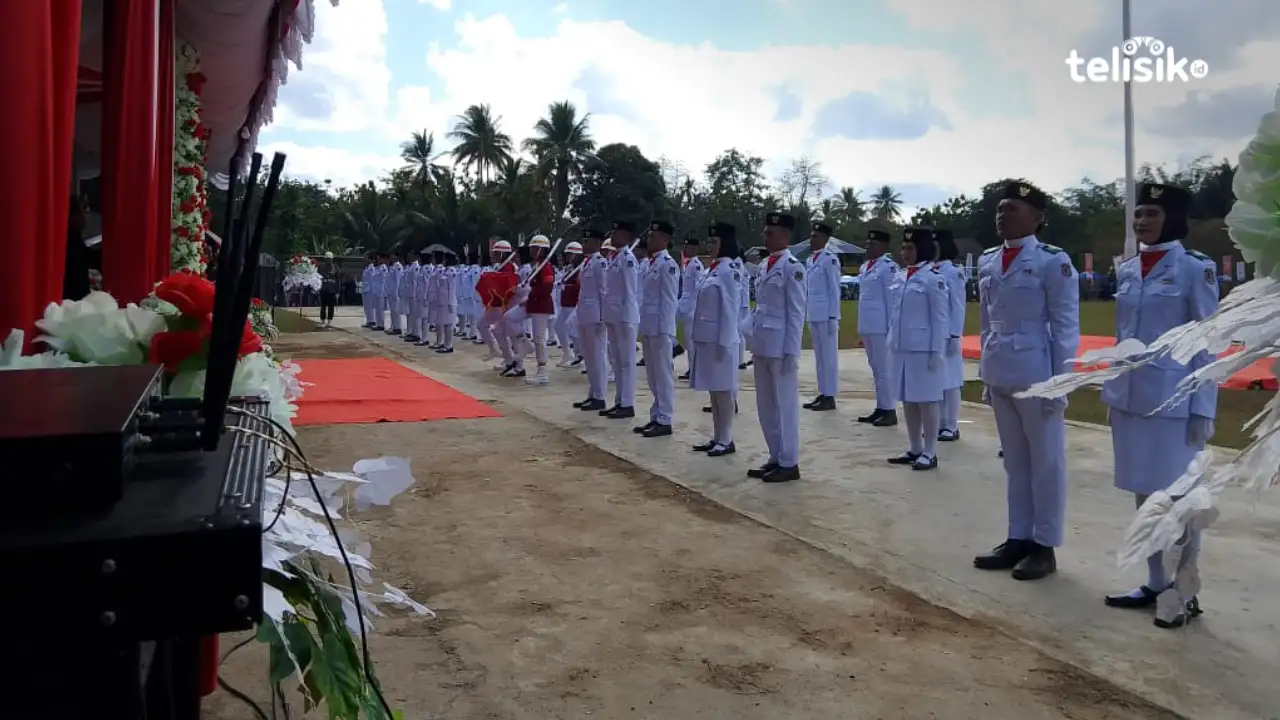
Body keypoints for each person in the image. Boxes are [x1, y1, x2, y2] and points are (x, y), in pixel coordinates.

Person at [1101, 182, 1218, 628]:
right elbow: (1121, 337)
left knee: (1181, 503)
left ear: (1171, 217)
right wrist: (1114, 391)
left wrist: (1204, 407)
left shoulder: (1194, 269)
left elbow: (1206, 339)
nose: (1141, 221)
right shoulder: (1130, 269)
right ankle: (1154, 582)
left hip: (1175, 401)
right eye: (1138, 213)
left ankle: (1183, 592)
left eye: (1150, 213)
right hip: (1132, 398)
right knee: (1144, 497)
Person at [973, 180, 1080, 581]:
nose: (1003, 215)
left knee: (1046, 462)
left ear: (1037, 218)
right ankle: (1018, 536)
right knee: (1015, 462)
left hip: (1037, 371)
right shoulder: (987, 260)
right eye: (1000, 209)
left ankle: (1044, 544)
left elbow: (1066, 327)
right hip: (1001, 368)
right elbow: (986, 322)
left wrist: (1061, 384)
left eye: (1012, 208)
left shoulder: (1053, 261)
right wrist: (986, 374)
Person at [748, 212, 807, 483]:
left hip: (781, 346)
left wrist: (792, 352)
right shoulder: (763, 266)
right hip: (762, 342)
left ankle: (789, 461)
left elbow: (796, 313)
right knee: (766, 405)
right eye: (765, 232)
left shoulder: (792, 267)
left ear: (785, 236)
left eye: (770, 232)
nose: (765, 236)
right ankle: (775, 455)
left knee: (785, 406)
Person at [885, 228, 948, 471]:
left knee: (927, 402)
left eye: (910, 248)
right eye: (903, 248)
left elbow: (940, 318)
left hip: (923, 350)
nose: (905, 253)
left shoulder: (933, 279)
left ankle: (930, 451)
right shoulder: (902, 277)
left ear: (922, 250)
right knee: (908, 400)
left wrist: (936, 352)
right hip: (902, 347)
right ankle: (914, 448)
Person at [690, 222, 742, 456]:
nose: (710, 246)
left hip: (720, 340)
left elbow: (731, 310)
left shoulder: (728, 271)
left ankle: (727, 438)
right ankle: (717, 436)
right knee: (714, 391)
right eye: (709, 242)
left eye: (715, 242)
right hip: (706, 339)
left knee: (724, 391)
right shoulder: (712, 269)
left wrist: (726, 342)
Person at [635, 220, 681, 437]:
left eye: (654, 237)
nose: (650, 240)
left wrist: (666, 332)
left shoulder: (668, 264)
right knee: (652, 374)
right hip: (648, 325)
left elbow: (669, 301)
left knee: (663, 374)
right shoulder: (649, 264)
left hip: (661, 328)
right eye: (650, 236)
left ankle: (665, 418)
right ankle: (656, 415)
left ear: (665, 240)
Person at [857, 230, 900, 426]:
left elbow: (892, 301)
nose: (868, 246)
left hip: (882, 327)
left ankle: (889, 410)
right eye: (867, 243)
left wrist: (892, 329)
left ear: (883, 246)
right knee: (876, 370)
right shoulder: (866, 267)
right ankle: (881, 407)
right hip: (868, 325)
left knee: (885, 370)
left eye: (872, 244)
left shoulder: (888, 268)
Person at [601, 221, 641, 419]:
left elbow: (630, 291)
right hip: (614, 316)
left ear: (627, 237)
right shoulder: (614, 257)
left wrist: (626, 319)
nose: (613, 236)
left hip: (625, 318)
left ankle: (627, 403)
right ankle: (619, 401)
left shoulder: (627, 259)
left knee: (626, 362)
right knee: (617, 361)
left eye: (617, 233)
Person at [804, 221, 843, 411]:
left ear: (826, 239)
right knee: (819, 357)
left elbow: (835, 289)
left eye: (816, 236)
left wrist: (833, 317)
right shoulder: (811, 260)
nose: (812, 239)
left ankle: (830, 395)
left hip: (826, 315)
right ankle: (823, 392)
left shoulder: (830, 259)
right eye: (811, 236)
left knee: (829, 357)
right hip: (813, 313)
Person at [934, 230, 967, 441]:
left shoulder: (952, 273)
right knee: (936, 380)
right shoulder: (930, 271)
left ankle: (951, 425)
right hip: (934, 334)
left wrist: (955, 334)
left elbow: (958, 306)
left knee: (951, 381)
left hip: (948, 333)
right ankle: (937, 422)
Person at [573, 229, 610, 412]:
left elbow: (604, 291)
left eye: (587, 241)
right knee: (589, 357)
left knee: (598, 357)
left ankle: (600, 396)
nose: (584, 244)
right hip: (585, 314)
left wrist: (603, 317)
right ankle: (593, 393)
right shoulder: (587, 262)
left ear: (596, 243)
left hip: (596, 317)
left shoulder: (600, 263)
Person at [518, 235, 557, 384]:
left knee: (539, 339)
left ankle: (542, 371)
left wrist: (530, 292)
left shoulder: (546, 266)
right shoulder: (537, 265)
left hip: (541, 305)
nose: (533, 251)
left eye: (536, 248)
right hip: (532, 303)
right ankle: (526, 344)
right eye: (532, 248)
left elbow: (547, 288)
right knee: (509, 318)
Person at [476, 240, 518, 370]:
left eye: (495, 253)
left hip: (503, 305)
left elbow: (509, 286)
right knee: (483, 325)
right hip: (495, 303)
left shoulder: (511, 267)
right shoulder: (499, 266)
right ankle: (498, 352)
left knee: (501, 332)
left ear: (502, 254)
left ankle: (509, 359)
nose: (492, 255)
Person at [677, 237, 705, 379]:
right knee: (688, 340)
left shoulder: (696, 265)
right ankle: (692, 368)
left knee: (691, 340)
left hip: (693, 307)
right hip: (685, 303)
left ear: (694, 249)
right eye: (685, 247)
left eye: (689, 248)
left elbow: (698, 287)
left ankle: (696, 370)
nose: (686, 249)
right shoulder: (687, 264)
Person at [555, 242, 584, 367]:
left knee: (571, 329)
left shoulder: (580, 268)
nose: (567, 256)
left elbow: (580, 285)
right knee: (558, 327)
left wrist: (566, 287)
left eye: (570, 254)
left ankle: (580, 354)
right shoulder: (570, 268)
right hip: (565, 302)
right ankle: (568, 353)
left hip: (573, 303)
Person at [432, 254, 459, 353]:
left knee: (449, 325)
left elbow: (451, 289)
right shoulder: (445, 271)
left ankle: (449, 345)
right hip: (443, 302)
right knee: (445, 324)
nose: (443, 261)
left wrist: (451, 302)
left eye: (445, 259)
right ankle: (446, 344)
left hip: (448, 302)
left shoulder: (451, 272)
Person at [361, 252, 378, 328]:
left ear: (370, 259)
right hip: (365, 289)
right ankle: (369, 320)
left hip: (370, 290)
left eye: (366, 258)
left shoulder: (371, 268)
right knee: (367, 307)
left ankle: (372, 321)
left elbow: (372, 280)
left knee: (370, 306)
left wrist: (371, 290)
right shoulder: (366, 268)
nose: (364, 260)